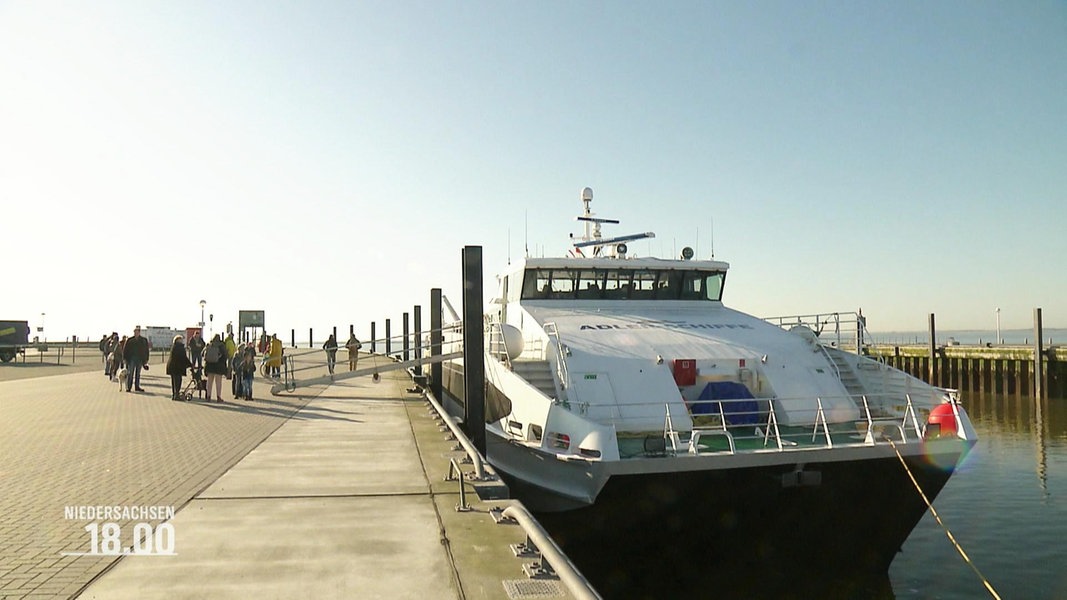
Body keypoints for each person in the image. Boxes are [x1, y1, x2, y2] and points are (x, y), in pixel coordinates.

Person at [122, 326, 150, 392]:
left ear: (139, 332)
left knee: (138, 374)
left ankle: (137, 387)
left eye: (137, 332)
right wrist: (124, 358)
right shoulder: (130, 340)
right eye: (135, 332)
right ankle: (129, 387)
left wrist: (146, 359)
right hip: (131, 359)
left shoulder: (143, 340)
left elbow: (146, 350)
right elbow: (125, 350)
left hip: (140, 359)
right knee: (130, 373)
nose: (136, 333)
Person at [166, 335, 193, 401]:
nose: (182, 340)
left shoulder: (174, 347)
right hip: (177, 367)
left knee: (173, 381)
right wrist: (190, 364)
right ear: (178, 340)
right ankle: (177, 395)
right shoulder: (180, 347)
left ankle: (174, 394)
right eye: (181, 339)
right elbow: (183, 357)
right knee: (178, 381)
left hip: (172, 366)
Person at [203, 334, 227, 402]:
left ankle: (208, 396)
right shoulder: (221, 345)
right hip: (218, 366)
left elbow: (203, 354)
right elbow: (225, 356)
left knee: (209, 382)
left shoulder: (209, 345)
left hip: (210, 366)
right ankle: (218, 397)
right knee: (218, 382)